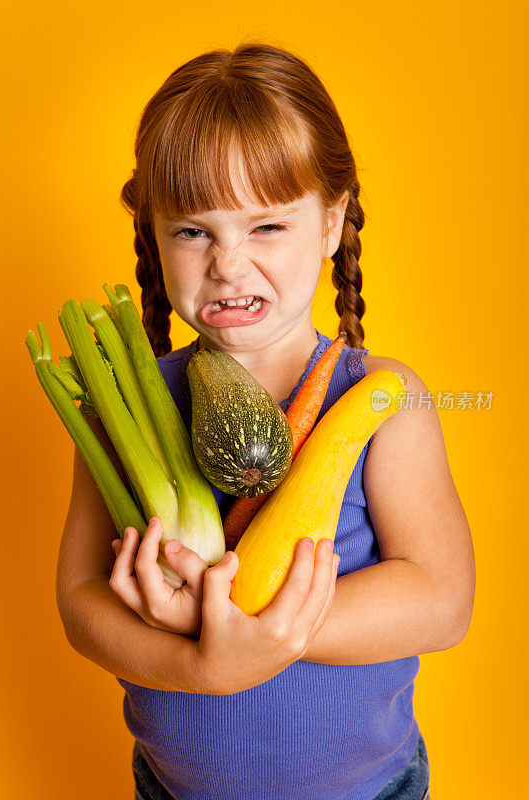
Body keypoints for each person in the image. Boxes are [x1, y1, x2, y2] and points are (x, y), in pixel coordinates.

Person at [56, 42, 475, 800]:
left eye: (266, 228)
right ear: (150, 232)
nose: (227, 264)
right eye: (192, 231)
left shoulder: (383, 397)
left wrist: (263, 633)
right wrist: (199, 666)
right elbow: (82, 602)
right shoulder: (124, 405)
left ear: (329, 223)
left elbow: (442, 602)